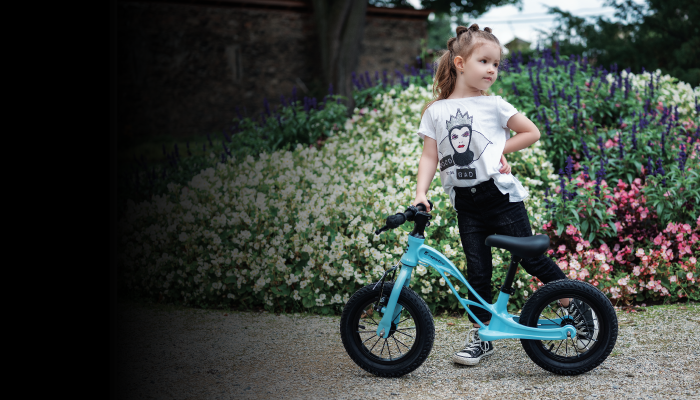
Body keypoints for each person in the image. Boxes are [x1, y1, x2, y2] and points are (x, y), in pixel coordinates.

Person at [411, 24, 586, 367]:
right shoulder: (435, 112)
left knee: (534, 260)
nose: (492, 69)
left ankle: (575, 308)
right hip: (466, 203)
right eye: (484, 61)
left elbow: (530, 131)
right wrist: (421, 193)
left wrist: (500, 150)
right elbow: (429, 156)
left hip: (499, 197)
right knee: (478, 272)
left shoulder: (494, 105)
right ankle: (482, 334)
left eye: (496, 63)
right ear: (460, 63)